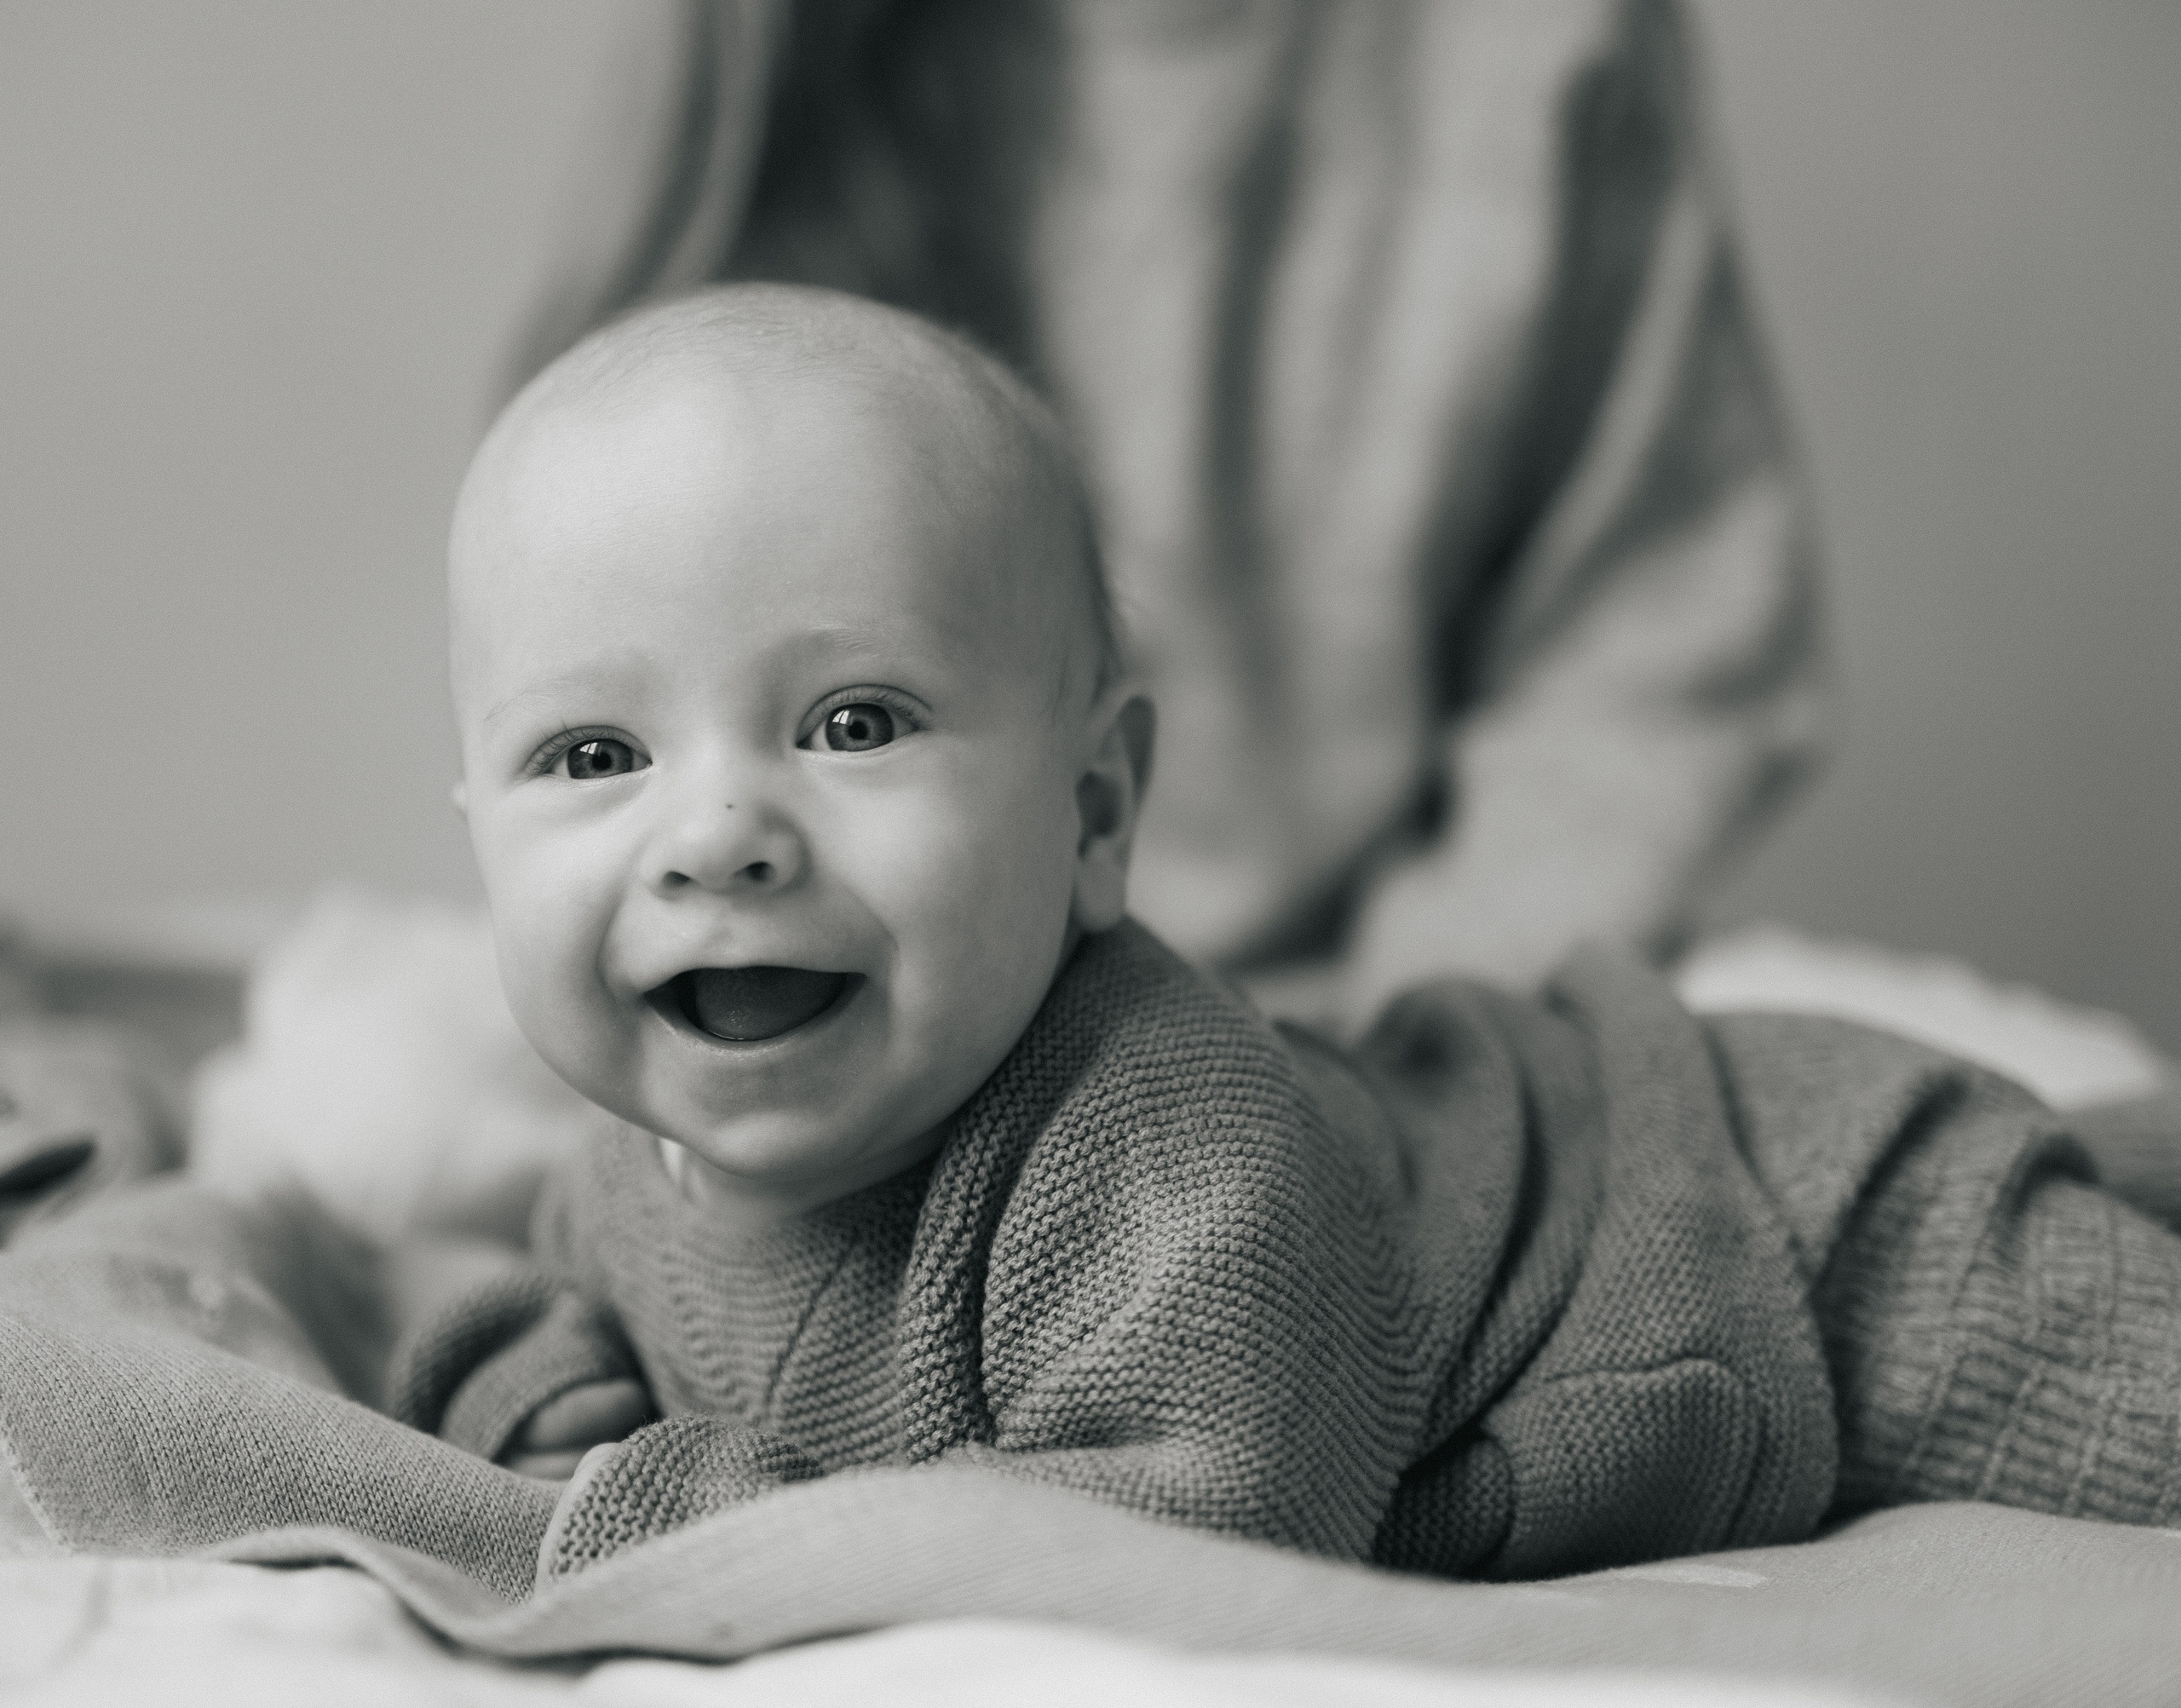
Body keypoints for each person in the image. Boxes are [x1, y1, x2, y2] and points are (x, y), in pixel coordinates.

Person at [383, 285, 2178, 1584]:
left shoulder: (1157, 1148)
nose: (713, 836)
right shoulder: (635, 1148)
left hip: (1791, 1234)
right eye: (591, 754)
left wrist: (664, 1513)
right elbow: (556, 1308)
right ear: (479, 834)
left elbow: (1204, 1536)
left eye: (854, 723)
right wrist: (531, 1403)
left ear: (1092, 818)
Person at [515, 0, 1828, 1028]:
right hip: (844, 1012)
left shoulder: (1539, 48)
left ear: (1105, 801)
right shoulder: (772, 54)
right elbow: (608, 593)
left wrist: (1422, 1044)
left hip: (1389, 1011)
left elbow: (1658, 648)